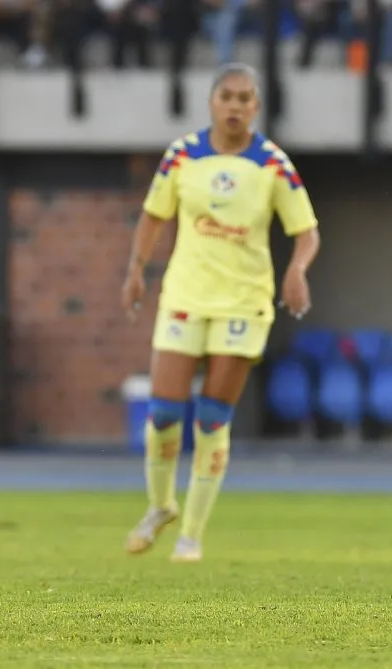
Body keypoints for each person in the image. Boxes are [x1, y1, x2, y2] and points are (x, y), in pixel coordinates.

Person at [120, 63, 321, 563]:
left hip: (244, 301)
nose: (235, 106)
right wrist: (136, 269)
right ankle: (161, 505)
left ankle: (191, 535)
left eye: (245, 98)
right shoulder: (182, 156)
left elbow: (306, 230)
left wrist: (297, 270)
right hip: (186, 295)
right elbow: (153, 216)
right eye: (227, 96)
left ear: (256, 107)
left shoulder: (272, 164)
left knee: (211, 418)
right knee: (165, 411)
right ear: (212, 101)